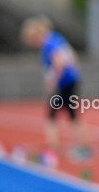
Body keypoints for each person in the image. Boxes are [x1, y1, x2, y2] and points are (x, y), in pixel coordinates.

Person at [21, 16, 89, 160]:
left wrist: (53, 81)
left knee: (53, 115)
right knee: (70, 114)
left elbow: (59, 62)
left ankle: (54, 147)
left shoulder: (48, 44)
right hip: (71, 79)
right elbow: (72, 57)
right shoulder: (57, 39)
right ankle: (78, 145)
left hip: (64, 82)